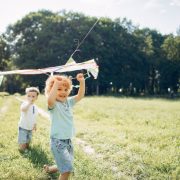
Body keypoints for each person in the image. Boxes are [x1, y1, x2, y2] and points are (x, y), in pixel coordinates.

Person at [44, 73, 85, 180]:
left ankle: (48, 169)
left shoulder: (68, 102)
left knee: (66, 163)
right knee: (67, 170)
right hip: (58, 142)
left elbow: (80, 96)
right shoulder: (53, 104)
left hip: (68, 140)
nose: (63, 92)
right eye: (59, 89)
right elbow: (49, 100)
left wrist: (81, 82)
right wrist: (55, 83)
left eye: (66, 89)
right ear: (51, 91)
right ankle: (57, 171)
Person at [18, 87, 40, 152]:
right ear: (26, 96)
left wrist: (35, 125)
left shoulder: (35, 107)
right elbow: (23, 109)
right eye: (29, 96)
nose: (31, 98)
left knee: (28, 142)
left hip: (30, 128)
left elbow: (34, 117)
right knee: (23, 142)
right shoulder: (24, 104)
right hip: (23, 127)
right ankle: (23, 150)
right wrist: (28, 103)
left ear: (36, 98)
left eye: (33, 96)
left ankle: (26, 147)